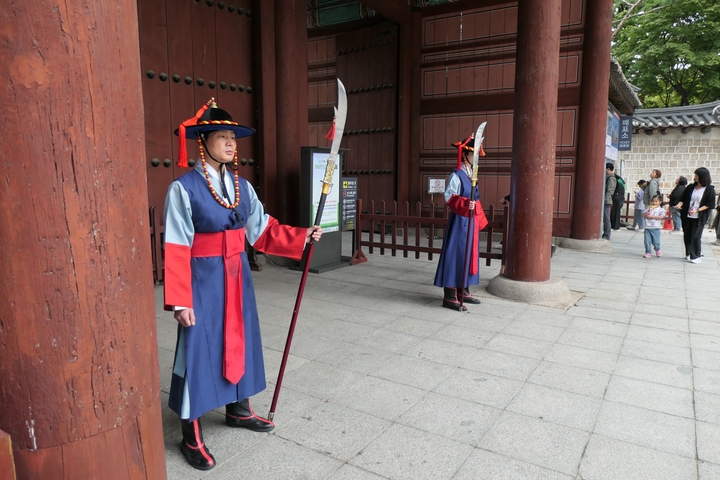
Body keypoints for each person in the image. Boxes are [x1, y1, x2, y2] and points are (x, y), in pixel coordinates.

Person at [163, 99, 323, 470]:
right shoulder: (183, 189)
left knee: (242, 340)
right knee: (198, 349)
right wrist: (180, 301)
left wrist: (301, 236)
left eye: (233, 137)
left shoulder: (241, 187)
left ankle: (238, 409)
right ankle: (191, 434)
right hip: (201, 279)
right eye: (223, 137)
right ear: (203, 142)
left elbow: (261, 229)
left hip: (237, 275)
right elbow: (175, 246)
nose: (232, 143)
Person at [433, 134, 488, 311]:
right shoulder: (456, 174)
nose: (476, 158)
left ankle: (463, 290)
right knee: (456, 254)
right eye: (473, 155)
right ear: (465, 155)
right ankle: (450, 296)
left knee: (469, 254)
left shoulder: (472, 172)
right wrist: (466, 203)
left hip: (470, 220)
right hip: (459, 220)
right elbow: (449, 196)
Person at [676, 167, 716, 264]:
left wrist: (697, 210)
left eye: (697, 175)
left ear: (702, 176)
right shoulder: (690, 187)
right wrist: (679, 204)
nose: (695, 177)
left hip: (699, 216)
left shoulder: (709, 189)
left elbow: (709, 204)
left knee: (695, 236)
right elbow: (683, 198)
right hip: (687, 215)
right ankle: (689, 253)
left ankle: (696, 256)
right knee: (687, 235)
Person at [603, 163, 616, 239]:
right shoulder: (607, 177)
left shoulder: (611, 178)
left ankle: (607, 235)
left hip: (606, 201)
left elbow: (610, 190)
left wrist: (604, 199)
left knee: (606, 218)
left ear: (608, 169)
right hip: (605, 200)